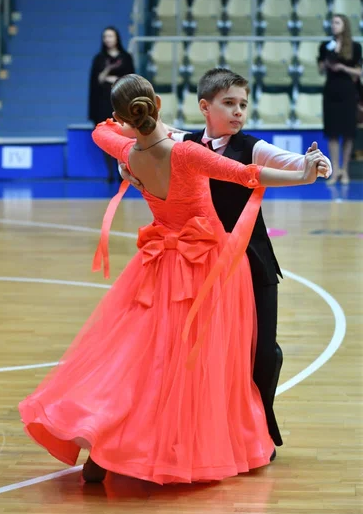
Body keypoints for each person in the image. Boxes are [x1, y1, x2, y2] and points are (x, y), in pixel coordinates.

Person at [19, 74, 329, 486]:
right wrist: (305, 176)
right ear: (159, 103)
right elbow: (248, 175)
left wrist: (123, 145)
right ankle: (177, 447)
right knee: (193, 365)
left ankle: (105, 448)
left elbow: (100, 131)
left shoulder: (126, 150)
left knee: (143, 359)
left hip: (158, 265)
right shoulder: (186, 153)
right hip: (208, 268)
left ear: (126, 116)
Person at [119, 68, 332, 451]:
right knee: (210, 353)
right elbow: (137, 135)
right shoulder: (181, 144)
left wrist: (315, 163)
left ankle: (262, 423)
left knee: (264, 351)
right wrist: (125, 164)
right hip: (205, 265)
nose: (238, 112)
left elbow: (288, 160)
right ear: (205, 107)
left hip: (252, 261)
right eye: (229, 103)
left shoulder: (251, 147)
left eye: (243, 105)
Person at [318, 14, 362, 185]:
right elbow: (321, 69)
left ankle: (345, 171)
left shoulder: (355, 47)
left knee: (348, 134)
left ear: (345, 25)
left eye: (337, 22)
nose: (333, 25)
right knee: (333, 133)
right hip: (331, 91)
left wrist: (342, 67)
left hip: (349, 92)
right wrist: (328, 61)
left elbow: (359, 72)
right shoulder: (325, 46)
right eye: (332, 23)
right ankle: (335, 170)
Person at [88, 26, 135, 182]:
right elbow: (95, 83)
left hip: (120, 104)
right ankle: (110, 173)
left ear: (117, 38)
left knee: (121, 138)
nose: (108, 39)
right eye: (105, 36)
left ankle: (123, 172)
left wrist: (115, 81)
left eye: (111, 36)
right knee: (107, 140)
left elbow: (131, 80)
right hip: (102, 104)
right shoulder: (99, 59)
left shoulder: (126, 57)